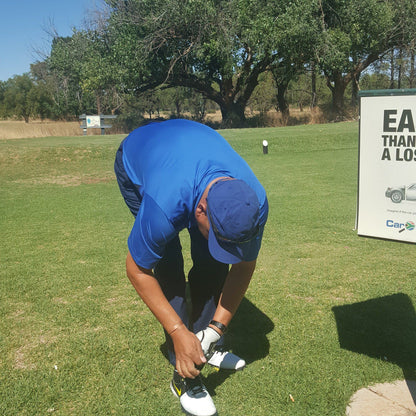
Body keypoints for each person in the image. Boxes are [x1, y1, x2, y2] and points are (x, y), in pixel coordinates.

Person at [114, 119, 268, 416]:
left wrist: (215, 328)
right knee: (167, 260)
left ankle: (203, 344)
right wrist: (177, 330)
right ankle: (182, 365)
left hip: (189, 151)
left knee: (212, 261)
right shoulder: (163, 206)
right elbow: (137, 270)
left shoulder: (255, 203)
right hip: (137, 158)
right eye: (216, 234)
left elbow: (243, 265)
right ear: (200, 211)